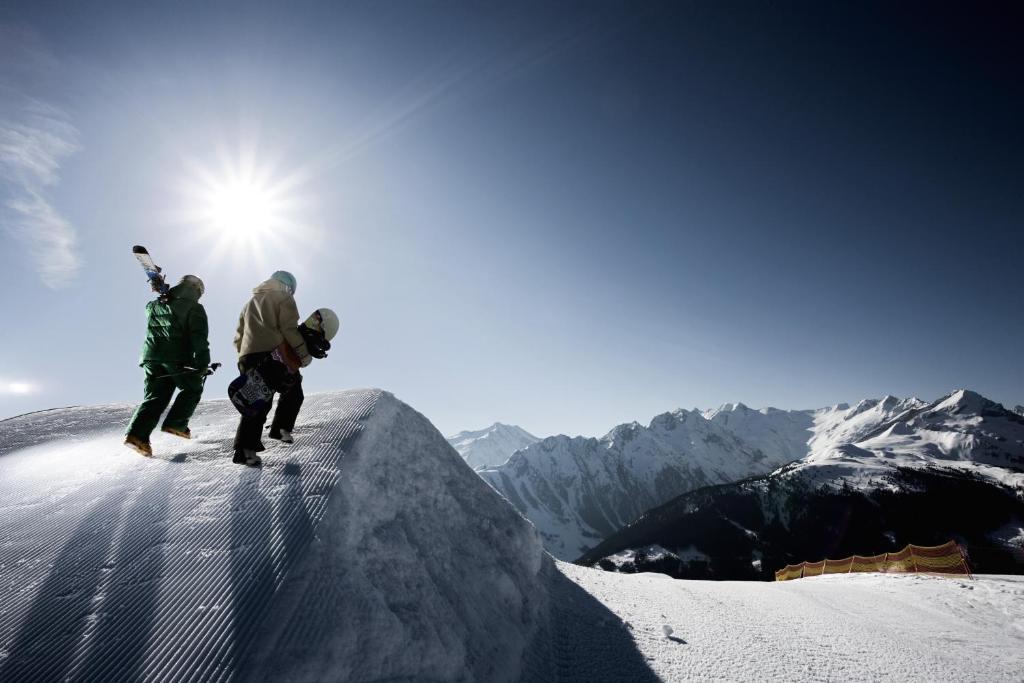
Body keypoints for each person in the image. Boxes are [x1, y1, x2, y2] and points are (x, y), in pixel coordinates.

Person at [125, 274, 210, 456]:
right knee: (192, 388)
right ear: (197, 290)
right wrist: (203, 363)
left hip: (150, 357)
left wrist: (164, 295)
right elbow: (199, 339)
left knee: (156, 397)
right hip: (176, 356)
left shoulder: (156, 305)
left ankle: (137, 436)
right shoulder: (194, 308)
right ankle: (176, 424)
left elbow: (149, 309)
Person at [232, 271, 311, 466]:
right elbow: (289, 329)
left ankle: (245, 452)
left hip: (248, 356)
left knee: (256, 401)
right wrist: (303, 354)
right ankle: (280, 428)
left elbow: (238, 337)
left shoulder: (249, 303)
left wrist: (244, 358)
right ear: (288, 286)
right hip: (274, 354)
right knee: (294, 389)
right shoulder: (284, 298)